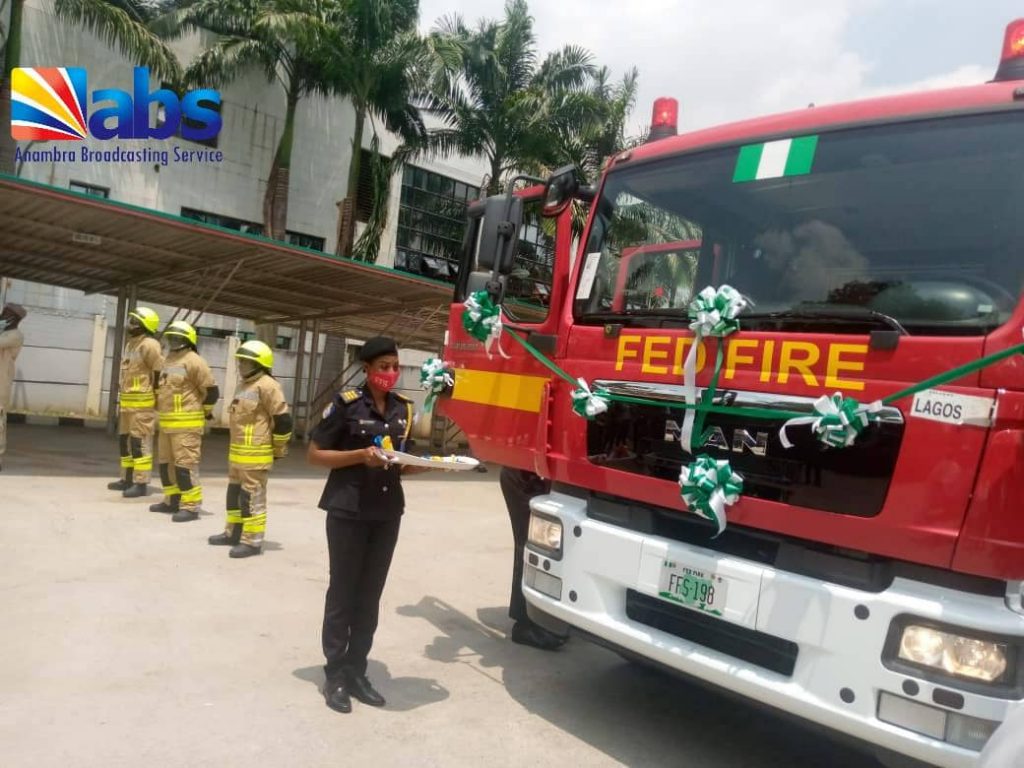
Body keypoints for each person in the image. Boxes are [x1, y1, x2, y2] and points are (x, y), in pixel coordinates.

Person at [307, 336, 436, 714]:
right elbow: (315, 456)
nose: (391, 374)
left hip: (386, 513)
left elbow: (400, 464)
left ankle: (358, 670)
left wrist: (428, 465)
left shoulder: (403, 409)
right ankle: (335, 675)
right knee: (343, 593)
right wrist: (360, 456)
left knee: (370, 596)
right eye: (383, 367)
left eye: (395, 366)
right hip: (347, 511)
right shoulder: (346, 405)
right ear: (367, 369)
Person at [207, 340, 291, 558]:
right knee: (234, 495)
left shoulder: (268, 385)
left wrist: (278, 449)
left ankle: (252, 541)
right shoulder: (243, 385)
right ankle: (233, 533)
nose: (242, 365)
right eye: (241, 360)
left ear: (260, 364)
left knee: (251, 498)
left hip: (256, 454)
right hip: (237, 454)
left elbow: (283, 421)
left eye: (247, 361)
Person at [150, 321, 219, 522]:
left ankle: (190, 506)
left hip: (186, 427)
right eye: (171, 337)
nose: (174, 341)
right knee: (165, 465)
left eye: (178, 338)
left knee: (185, 466)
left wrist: (205, 412)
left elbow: (212, 392)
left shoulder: (194, 361)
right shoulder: (167, 361)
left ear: (188, 340)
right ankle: (171, 500)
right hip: (166, 425)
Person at [499, 466, 567, 650]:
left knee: (549, 549)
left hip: (543, 482)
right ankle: (526, 623)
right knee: (531, 546)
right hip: (524, 479)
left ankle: (545, 618)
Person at [108, 306, 163, 498]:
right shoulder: (131, 344)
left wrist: (157, 398)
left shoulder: (150, 345)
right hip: (127, 404)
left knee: (140, 444)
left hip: (142, 405)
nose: (130, 325)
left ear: (145, 325)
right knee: (125, 442)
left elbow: (158, 372)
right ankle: (126, 479)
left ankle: (141, 482)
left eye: (134, 322)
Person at [0, 302, 27, 472]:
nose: (3, 316)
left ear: (15, 319)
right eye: (3, 312)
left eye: (7, 314)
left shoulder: (15, 335)